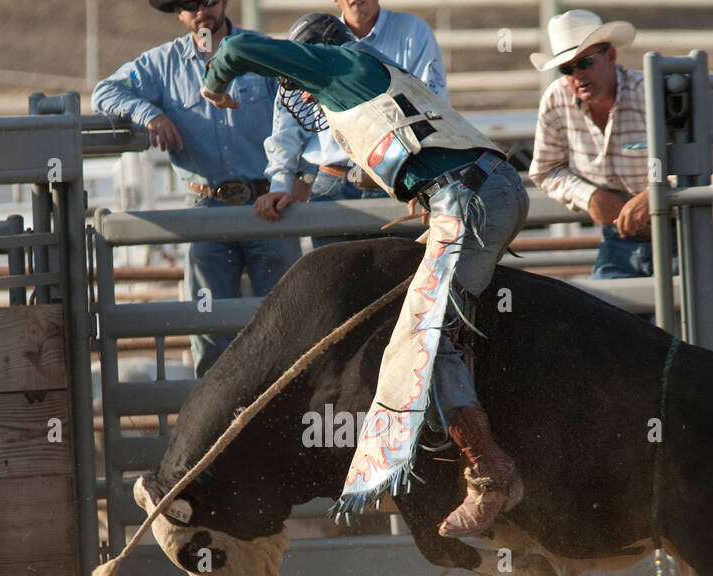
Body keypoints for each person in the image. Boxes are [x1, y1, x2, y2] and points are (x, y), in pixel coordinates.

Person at [200, 13, 529, 537]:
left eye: (297, 77)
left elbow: (236, 49)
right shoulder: (377, 74)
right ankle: (458, 433)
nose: (298, 92)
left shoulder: (341, 67)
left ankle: (490, 473)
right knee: (426, 314)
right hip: (475, 192)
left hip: (471, 201)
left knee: (428, 338)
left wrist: (215, 84)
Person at [91, 0, 302, 377]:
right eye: (190, 3)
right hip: (205, 208)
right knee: (208, 331)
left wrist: (296, 182)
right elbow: (105, 92)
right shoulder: (160, 65)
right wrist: (149, 113)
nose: (201, 10)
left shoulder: (262, 52)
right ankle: (218, 430)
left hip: (267, 204)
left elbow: (299, 111)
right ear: (179, 12)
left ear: (225, 2)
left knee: (286, 322)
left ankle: (281, 422)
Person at [528, 9, 713, 281]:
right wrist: (589, 196)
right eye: (566, 69)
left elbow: (711, 160)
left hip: (681, 230)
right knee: (610, 317)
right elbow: (546, 170)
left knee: (670, 316)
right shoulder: (556, 99)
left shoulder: (651, 92)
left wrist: (655, 194)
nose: (577, 75)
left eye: (584, 63)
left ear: (610, 56)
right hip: (617, 237)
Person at [254, 0, 446, 248]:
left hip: (395, 179)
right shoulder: (310, 36)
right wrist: (281, 182)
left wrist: (426, 180)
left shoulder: (414, 33)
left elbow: (431, 107)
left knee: (399, 283)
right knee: (336, 284)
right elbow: (287, 119)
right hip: (335, 184)